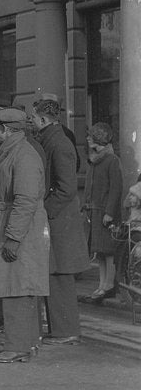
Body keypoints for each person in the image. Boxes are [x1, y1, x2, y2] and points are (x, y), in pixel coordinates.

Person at [0, 109, 50, 363]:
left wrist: (13, 237)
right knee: (16, 285)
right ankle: (25, 342)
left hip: (20, 227)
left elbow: (25, 200)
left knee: (15, 287)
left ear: (6, 129)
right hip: (12, 223)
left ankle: (18, 345)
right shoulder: (13, 152)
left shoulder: (23, 155)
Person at [32, 94, 89, 345]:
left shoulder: (59, 143)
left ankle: (66, 331)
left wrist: (44, 211)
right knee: (54, 275)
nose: (32, 122)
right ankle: (61, 329)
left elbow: (67, 188)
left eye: (34, 118)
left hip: (59, 222)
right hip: (57, 220)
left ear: (43, 119)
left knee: (60, 277)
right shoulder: (53, 139)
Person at [82, 122, 123, 303]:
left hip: (105, 213)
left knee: (108, 251)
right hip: (94, 212)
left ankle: (108, 285)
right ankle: (101, 285)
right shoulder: (94, 160)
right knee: (99, 252)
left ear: (99, 138)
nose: (88, 138)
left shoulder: (112, 160)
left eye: (91, 136)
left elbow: (116, 188)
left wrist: (110, 212)